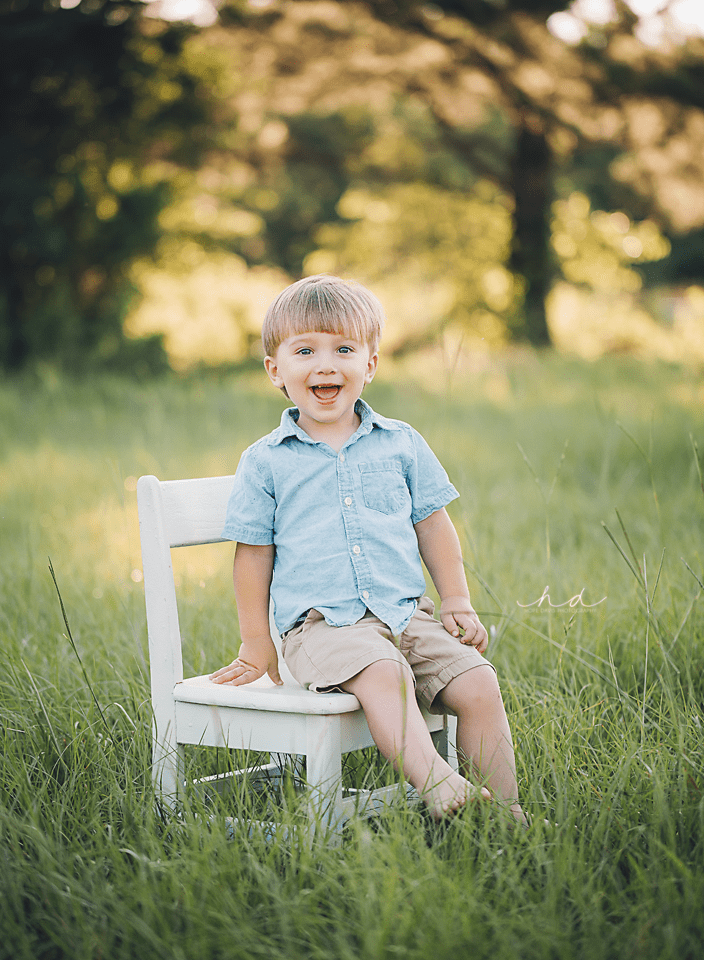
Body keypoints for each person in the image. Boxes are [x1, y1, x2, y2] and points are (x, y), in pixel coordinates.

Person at [210, 274, 526, 824]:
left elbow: (433, 525)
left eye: (344, 349)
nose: (325, 365)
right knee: (383, 671)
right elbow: (253, 555)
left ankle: (505, 813)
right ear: (275, 370)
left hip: (407, 617)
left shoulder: (401, 443)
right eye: (305, 351)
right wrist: (256, 642)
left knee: (479, 681)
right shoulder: (267, 461)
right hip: (322, 629)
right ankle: (439, 786)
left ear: (371, 364)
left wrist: (456, 599)